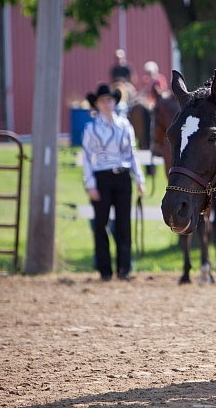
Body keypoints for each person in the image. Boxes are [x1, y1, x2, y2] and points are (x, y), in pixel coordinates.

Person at [82, 83, 146, 281]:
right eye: (103, 101)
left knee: (123, 224)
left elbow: (131, 153)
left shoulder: (125, 125)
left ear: (114, 102)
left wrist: (139, 178)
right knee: (101, 224)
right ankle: (105, 270)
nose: (107, 104)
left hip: (122, 176)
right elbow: (86, 157)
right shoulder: (91, 128)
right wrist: (90, 183)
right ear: (98, 104)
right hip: (101, 176)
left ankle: (124, 269)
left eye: (109, 100)